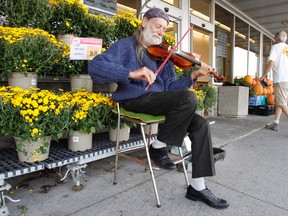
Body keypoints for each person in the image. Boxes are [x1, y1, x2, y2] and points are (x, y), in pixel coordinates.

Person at [88, 7, 228, 209]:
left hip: (158, 100)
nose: (161, 32)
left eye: (164, 29)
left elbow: (171, 88)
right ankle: (159, 147)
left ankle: (197, 186)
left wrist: (193, 77)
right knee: (188, 99)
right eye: (158, 26)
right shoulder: (127, 45)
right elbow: (95, 67)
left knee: (201, 125)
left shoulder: (164, 56)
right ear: (144, 22)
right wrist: (132, 73)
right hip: (135, 99)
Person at [261, 30, 288, 131]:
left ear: (276, 38)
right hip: (286, 80)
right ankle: (275, 122)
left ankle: (276, 123)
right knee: (279, 101)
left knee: (281, 103)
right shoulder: (287, 48)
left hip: (281, 79)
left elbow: (271, 62)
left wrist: (264, 75)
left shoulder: (276, 47)